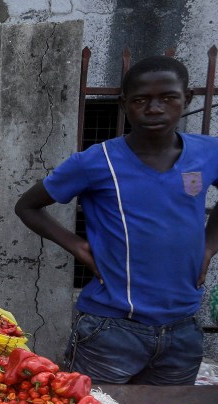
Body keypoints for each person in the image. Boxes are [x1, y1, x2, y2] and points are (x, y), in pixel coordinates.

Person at [15, 55, 218, 385]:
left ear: (187, 99)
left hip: (182, 329)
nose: (154, 109)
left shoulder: (209, 152)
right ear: (124, 104)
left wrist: (209, 246)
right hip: (110, 329)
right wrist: (77, 246)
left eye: (168, 98)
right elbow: (27, 206)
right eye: (140, 100)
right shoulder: (96, 162)